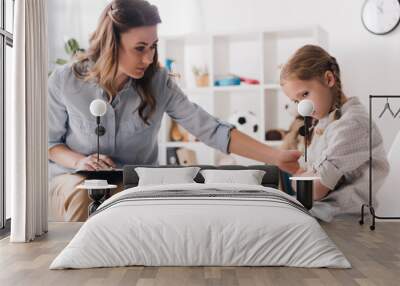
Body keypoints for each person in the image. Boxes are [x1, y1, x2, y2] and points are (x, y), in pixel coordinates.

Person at [48, 0, 301, 222]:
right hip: (75, 178)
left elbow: (209, 129)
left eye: (153, 46)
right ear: (111, 43)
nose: (148, 58)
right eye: (139, 48)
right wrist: (80, 161)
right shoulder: (65, 80)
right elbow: (50, 144)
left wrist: (275, 156)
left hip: (135, 182)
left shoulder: (158, 82)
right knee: (85, 199)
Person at [280, 44, 389, 221]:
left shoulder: (352, 125)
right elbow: (310, 177)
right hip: (318, 214)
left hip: (340, 223)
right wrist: (302, 176)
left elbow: (314, 190)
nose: (302, 107)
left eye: (305, 94)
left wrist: (297, 176)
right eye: (296, 100)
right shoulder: (326, 121)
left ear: (329, 79)